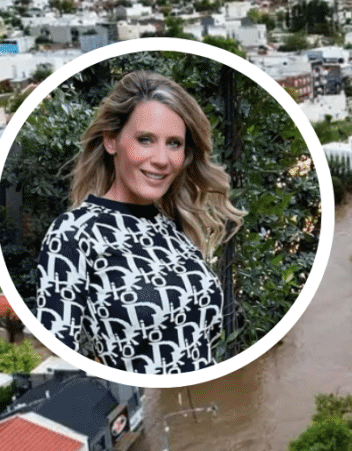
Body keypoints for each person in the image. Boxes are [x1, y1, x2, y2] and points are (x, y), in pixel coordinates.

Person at [35, 71, 245, 374]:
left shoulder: (174, 227)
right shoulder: (73, 235)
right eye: (146, 140)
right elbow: (59, 363)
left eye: (174, 144)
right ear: (111, 140)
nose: (161, 158)